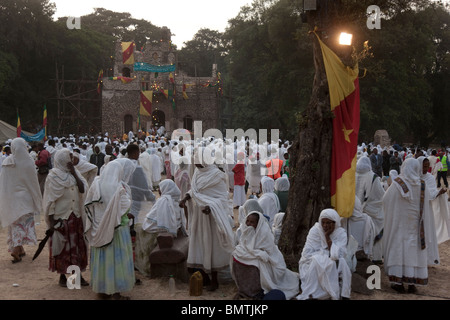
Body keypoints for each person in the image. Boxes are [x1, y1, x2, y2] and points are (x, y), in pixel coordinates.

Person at [179, 147, 235, 291]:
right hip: (199, 217)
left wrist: (211, 207)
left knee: (213, 246)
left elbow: (223, 198)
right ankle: (204, 277)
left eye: (197, 161)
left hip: (212, 218)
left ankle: (215, 281)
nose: (195, 164)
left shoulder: (217, 175)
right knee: (200, 244)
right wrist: (186, 198)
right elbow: (195, 190)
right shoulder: (197, 173)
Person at [84, 159, 136, 300]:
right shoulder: (119, 188)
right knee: (116, 261)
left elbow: (90, 205)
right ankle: (116, 293)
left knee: (102, 260)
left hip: (98, 229)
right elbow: (125, 207)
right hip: (116, 231)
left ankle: (102, 290)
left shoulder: (96, 184)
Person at [382, 158, 435, 294]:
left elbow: (386, 201)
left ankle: (398, 283)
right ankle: (412, 283)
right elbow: (427, 209)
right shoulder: (422, 185)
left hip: (399, 226)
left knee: (399, 251)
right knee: (413, 252)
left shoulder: (397, 185)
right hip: (416, 227)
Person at [42, 148, 89, 287]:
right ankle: (63, 276)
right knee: (62, 248)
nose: (71, 159)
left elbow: (82, 189)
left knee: (77, 248)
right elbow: (50, 201)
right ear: (62, 159)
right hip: (61, 218)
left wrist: (74, 172)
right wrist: (51, 222)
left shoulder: (75, 174)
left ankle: (77, 276)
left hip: (75, 217)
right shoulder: (53, 177)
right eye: (69, 156)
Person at [231, 211, 300, 300]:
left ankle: (257, 291)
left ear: (258, 224)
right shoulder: (245, 231)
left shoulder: (265, 233)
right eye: (247, 221)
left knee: (258, 263)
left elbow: (269, 253)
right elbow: (243, 245)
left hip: (269, 260)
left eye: (252, 222)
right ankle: (245, 290)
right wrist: (253, 253)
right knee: (236, 254)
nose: (248, 224)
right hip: (252, 255)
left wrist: (257, 253)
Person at [0, 138, 42, 263]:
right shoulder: (28, 161)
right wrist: (37, 198)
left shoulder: (8, 161)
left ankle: (20, 249)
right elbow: (33, 183)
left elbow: (4, 182)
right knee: (23, 226)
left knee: (15, 225)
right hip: (25, 200)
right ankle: (16, 250)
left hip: (11, 199)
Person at [296, 209, 352, 300]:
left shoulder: (341, 233)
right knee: (317, 260)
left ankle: (344, 294)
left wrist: (327, 236)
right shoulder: (315, 230)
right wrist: (325, 255)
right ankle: (314, 294)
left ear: (335, 222)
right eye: (323, 222)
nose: (325, 225)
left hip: (331, 260)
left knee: (342, 263)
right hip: (311, 261)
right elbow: (307, 254)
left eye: (328, 223)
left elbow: (338, 255)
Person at [355, 156, 385, 263]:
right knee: (374, 232)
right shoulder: (373, 177)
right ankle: (376, 258)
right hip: (371, 212)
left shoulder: (352, 175)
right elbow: (381, 196)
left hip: (354, 212)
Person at [418, 156, 449, 245]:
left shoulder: (430, 178)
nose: (426, 169)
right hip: (415, 207)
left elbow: (432, 192)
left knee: (426, 228)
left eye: (427, 166)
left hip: (426, 207)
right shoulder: (414, 177)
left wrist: (439, 193)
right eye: (424, 166)